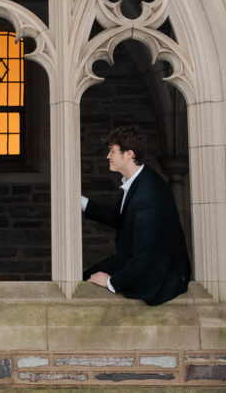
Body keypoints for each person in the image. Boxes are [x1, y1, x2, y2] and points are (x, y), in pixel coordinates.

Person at [81, 125, 191, 306]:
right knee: (84, 279)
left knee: (88, 284)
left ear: (129, 154)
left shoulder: (147, 197)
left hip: (159, 277)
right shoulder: (139, 179)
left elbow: (142, 259)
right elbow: (120, 217)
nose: (108, 157)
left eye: (112, 151)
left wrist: (111, 282)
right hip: (139, 262)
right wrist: (82, 203)